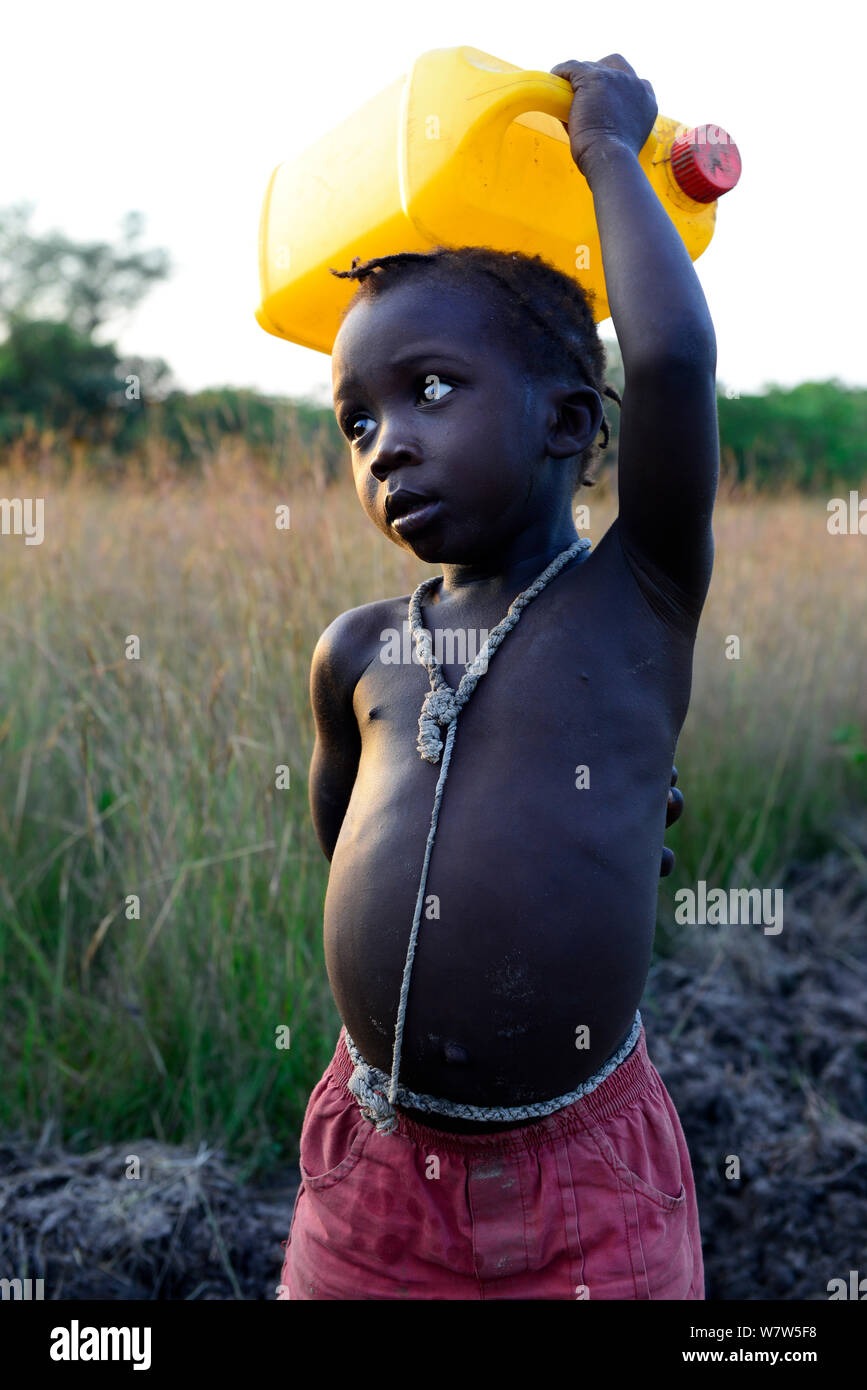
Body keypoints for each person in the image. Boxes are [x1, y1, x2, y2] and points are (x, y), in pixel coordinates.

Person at [278, 52, 715, 1300]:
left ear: (570, 422)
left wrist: (609, 153)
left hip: (588, 1184)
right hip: (373, 1166)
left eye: (427, 391)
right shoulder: (358, 650)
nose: (385, 445)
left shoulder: (633, 600)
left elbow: (675, 366)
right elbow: (355, 840)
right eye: (355, 422)